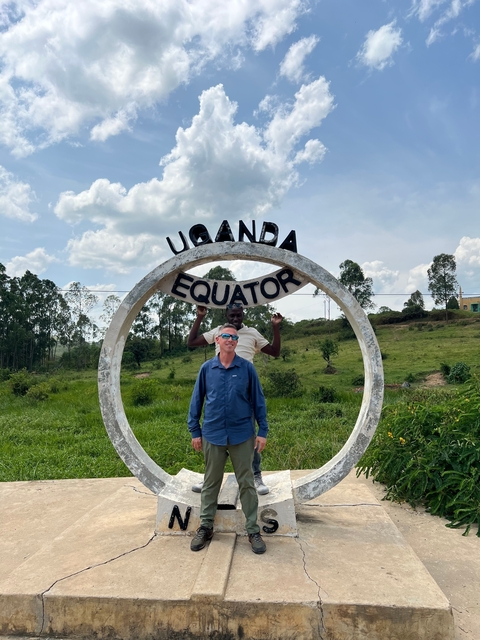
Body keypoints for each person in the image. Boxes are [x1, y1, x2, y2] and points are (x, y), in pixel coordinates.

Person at [188, 324, 268, 554]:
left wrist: (262, 431)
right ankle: (205, 527)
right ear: (217, 340)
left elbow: (258, 401)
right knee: (211, 483)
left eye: (234, 337)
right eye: (226, 336)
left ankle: (253, 530)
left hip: (242, 434)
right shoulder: (207, 369)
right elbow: (197, 401)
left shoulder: (246, 369)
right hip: (212, 434)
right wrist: (195, 431)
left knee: (247, 483)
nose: (230, 340)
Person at [187, 303, 283, 495]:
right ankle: (209, 477)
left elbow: (274, 352)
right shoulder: (218, 331)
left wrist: (275, 327)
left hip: (243, 388)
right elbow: (192, 342)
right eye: (232, 316)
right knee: (213, 433)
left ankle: (255, 476)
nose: (236, 319)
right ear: (226, 316)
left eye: (239, 316)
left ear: (243, 315)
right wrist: (199, 316)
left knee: (248, 433)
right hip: (219, 385)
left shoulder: (252, 333)